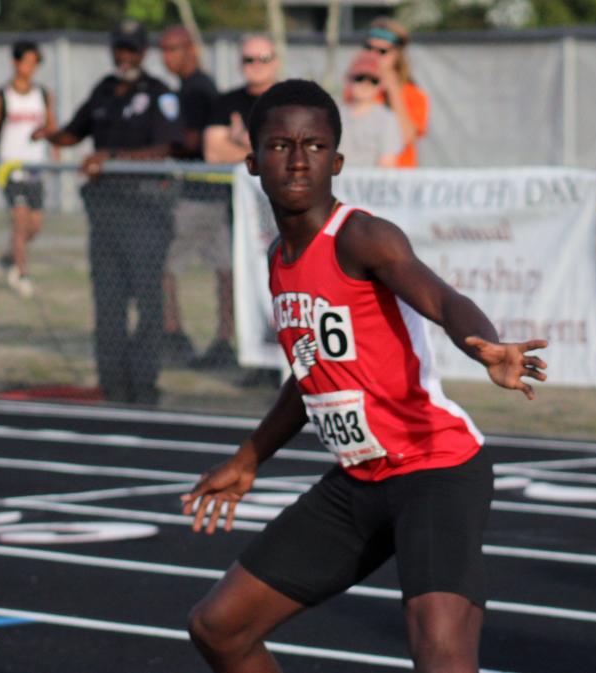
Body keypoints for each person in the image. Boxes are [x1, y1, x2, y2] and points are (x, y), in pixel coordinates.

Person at [181, 79, 548, 673]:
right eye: (279, 146)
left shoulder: (360, 236)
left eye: (315, 146)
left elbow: (443, 297)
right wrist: (250, 457)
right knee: (220, 627)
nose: (298, 160)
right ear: (252, 162)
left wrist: (483, 344)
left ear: (338, 160)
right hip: (359, 481)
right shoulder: (279, 259)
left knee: (441, 654)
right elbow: (309, 376)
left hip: (436, 471)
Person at [35, 19, 183, 405]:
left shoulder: (159, 93)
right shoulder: (103, 90)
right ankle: (113, 382)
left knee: (148, 301)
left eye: (131, 49)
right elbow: (74, 132)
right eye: (120, 48)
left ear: (143, 52)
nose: (124, 56)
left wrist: (113, 158)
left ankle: (143, 382)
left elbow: (168, 146)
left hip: (145, 208)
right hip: (105, 211)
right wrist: (47, 133)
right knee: (108, 301)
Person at [190, 34, 280, 370]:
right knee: (230, 274)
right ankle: (230, 341)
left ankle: (277, 351)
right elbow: (213, 152)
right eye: (248, 60)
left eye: (263, 58)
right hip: (234, 207)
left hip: (276, 210)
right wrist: (260, 149)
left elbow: (287, 151)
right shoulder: (226, 100)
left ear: (276, 61)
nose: (255, 67)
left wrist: (242, 145)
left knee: (276, 277)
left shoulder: (287, 100)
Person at [158, 25, 224, 365]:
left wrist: (159, 145)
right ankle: (222, 337)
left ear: (190, 50)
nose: (167, 58)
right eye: (164, 50)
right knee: (223, 267)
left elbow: (194, 141)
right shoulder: (187, 87)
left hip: (201, 192)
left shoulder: (197, 89)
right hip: (207, 192)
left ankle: (174, 332)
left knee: (165, 263)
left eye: (173, 49)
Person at [0, 40, 58, 298]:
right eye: (27, 62)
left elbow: (51, 128)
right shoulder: (0, 97)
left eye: (35, 63)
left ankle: (8, 258)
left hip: (35, 169)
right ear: (15, 63)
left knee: (34, 226)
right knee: (20, 220)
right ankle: (21, 272)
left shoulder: (43, 95)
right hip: (10, 169)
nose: (30, 68)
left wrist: (56, 156)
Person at [363, 17, 428, 168]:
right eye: (368, 48)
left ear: (397, 55)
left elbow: (406, 137)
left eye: (382, 51)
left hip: (399, 179)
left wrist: (393, 90)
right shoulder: (357, 88)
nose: (373, 55)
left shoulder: (414, 94)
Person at [338, 50, 403, 168]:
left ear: (381, 85)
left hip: (371, 185)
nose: (365, 84)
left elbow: (387, 166)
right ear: (348, 80)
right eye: (359, 78)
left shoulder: (387, 119)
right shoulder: (332, 116)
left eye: (373, 80)